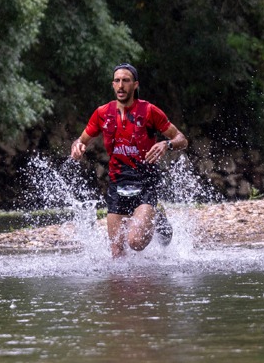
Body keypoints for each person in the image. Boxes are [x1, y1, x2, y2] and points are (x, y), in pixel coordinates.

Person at [70, 63, 188, 257]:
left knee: (135, 241)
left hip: (145, 181)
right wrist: (78, 147)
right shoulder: (102, 113)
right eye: (117, 81)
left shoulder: (149, 111)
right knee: (117, 252)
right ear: (112, 85)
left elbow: (181, 139)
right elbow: (80, 141)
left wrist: (166, 145)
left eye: (126, 81)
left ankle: (156, 217)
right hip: (117, 183)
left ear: (135, 85)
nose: (121, 85)